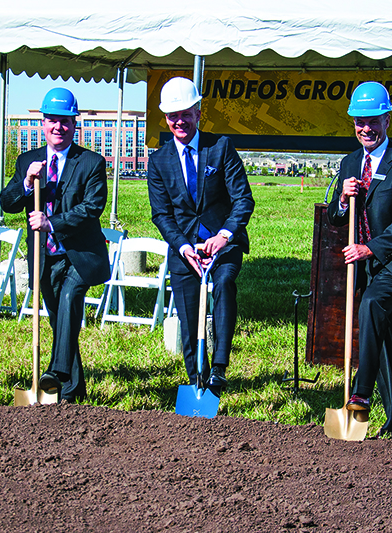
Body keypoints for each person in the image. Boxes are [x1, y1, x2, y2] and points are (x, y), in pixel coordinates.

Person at [327, 82, 392, 438]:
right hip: (367, 266)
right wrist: (343, 199)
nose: (366, 128)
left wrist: (370, 249)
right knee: (381, 336)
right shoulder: (350, 162)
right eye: (360, 122)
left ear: (387, 119)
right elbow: (336, 218)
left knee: (371, 305)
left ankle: (361, 392)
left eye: (373, 121)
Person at [0, 88, 109, 403]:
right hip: (44, 256)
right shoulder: (28, 161)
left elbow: (92, 207)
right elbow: (7, 203)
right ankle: (73, 391)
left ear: (74, 124)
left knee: (70, 299)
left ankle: (57, 372)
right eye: (52, 120)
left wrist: (52, 223)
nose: (58, 127)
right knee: (61, 320)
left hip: (80, 255)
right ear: (43, 123)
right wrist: (25, 184)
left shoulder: (90, 162)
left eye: (65, 121)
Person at [147, 76, 255, 396]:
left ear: (198, 112)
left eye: (186, 113)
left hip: (224, 245)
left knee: (223, 285)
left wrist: (223, 236)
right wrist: (183, 247)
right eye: (173, 116)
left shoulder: (220, 148)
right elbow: (161, 215)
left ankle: (219, 368)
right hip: (185, 250)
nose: (179, 121)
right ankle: (198, 379)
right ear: (166, 118)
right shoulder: (159, 161)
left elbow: (243, 199)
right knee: (188, 313)